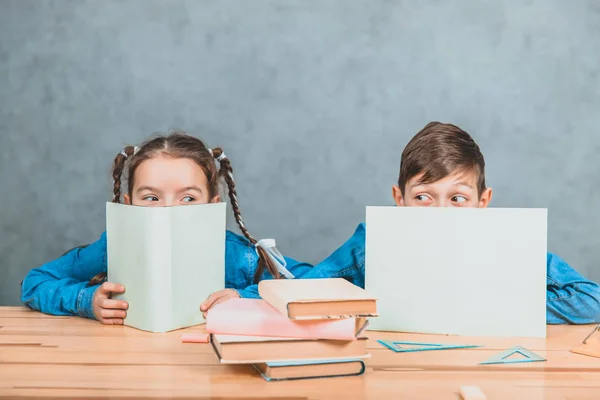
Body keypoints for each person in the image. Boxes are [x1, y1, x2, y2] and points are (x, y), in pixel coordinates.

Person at [227, 122, 600, 324]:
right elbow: (307, 289)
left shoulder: (509, 247)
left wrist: (493, 305)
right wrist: (241, 297)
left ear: (482, 202)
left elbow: (591, 300)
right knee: (288, 273)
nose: (440, 213)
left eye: (457, 199)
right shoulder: (372, 245)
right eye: (424, 197)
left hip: (481, 364)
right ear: (399, 199)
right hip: (399, 370)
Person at [21, 131, 311, 324]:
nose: (169, 210)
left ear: (212, 204)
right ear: (128, 203)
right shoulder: (113, 248)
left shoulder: (238, 256)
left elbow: (315, 283)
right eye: (151, 197)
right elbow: (34, 283)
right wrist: (86, 300)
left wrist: (246, 297)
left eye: (188, 197)